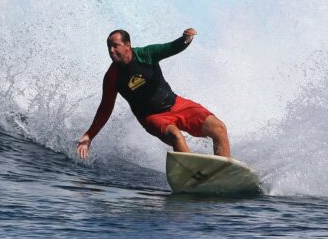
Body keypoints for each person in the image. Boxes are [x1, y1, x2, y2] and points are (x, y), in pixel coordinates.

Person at [76, 28, 231, 159]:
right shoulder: (112, 77)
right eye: (109, 46)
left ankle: (223, 172)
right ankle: (193, 177)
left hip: (176, 104)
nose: (111, 50)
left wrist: (186, 39)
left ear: (127, 46)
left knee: (219, 128)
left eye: (115, 46)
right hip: (152, 117)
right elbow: (105, 108)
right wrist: (90, 135)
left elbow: (171, 47)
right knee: (176, 136)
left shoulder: (146, 54)